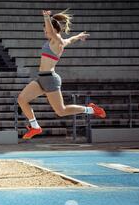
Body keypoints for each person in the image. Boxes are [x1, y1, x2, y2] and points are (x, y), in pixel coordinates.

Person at [17, 9, 106, 140]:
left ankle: (90, 109)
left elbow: (53, 32)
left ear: (53, 29)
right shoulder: (59, 41)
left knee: (61, 111)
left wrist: (46, 18)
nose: (45, 32)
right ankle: (35, 127)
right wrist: (78, 36)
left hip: (51, 80)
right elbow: (70, 40)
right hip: (41, 78)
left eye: (46, 30)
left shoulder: (57, 40)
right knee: (22, 99)